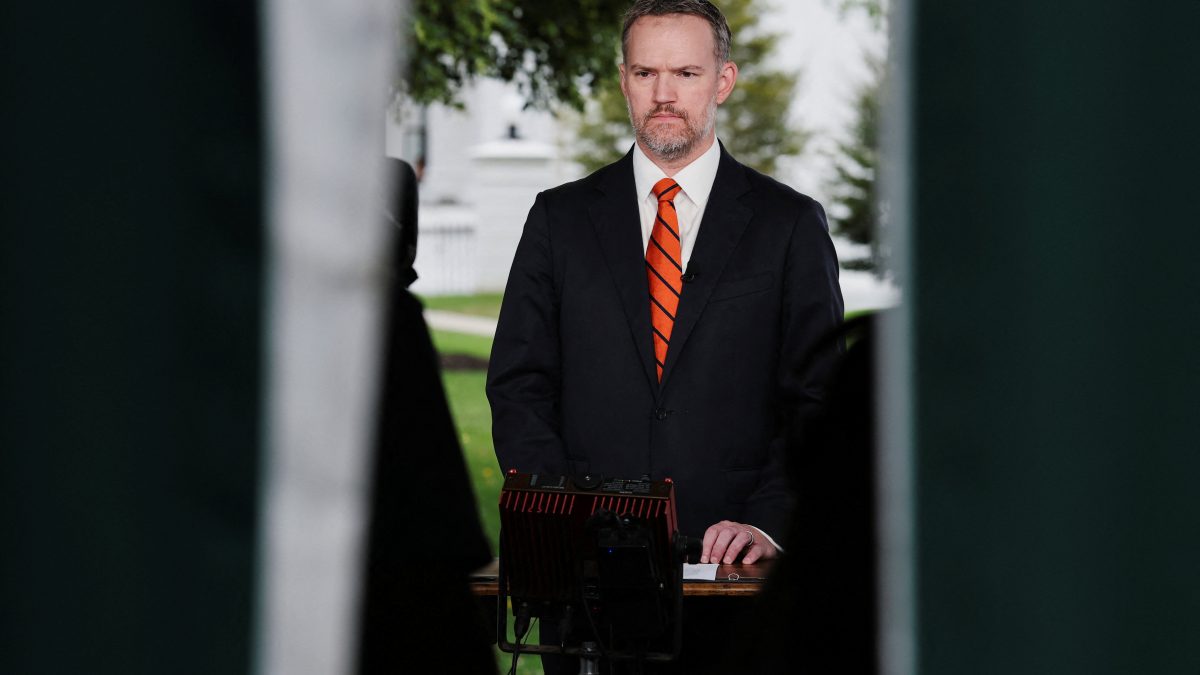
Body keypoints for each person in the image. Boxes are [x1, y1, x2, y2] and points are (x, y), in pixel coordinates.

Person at [486, 0, 843, 669]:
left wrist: (769, 518)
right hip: (583, 594)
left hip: (732, 583)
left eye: (685, 71)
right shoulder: (557, 220)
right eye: (646, 72)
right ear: (624, 80)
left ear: (723, 81)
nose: (664, 93)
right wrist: (564, 519)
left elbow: (818, 400)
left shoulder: (790, 225)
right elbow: (518, 382)